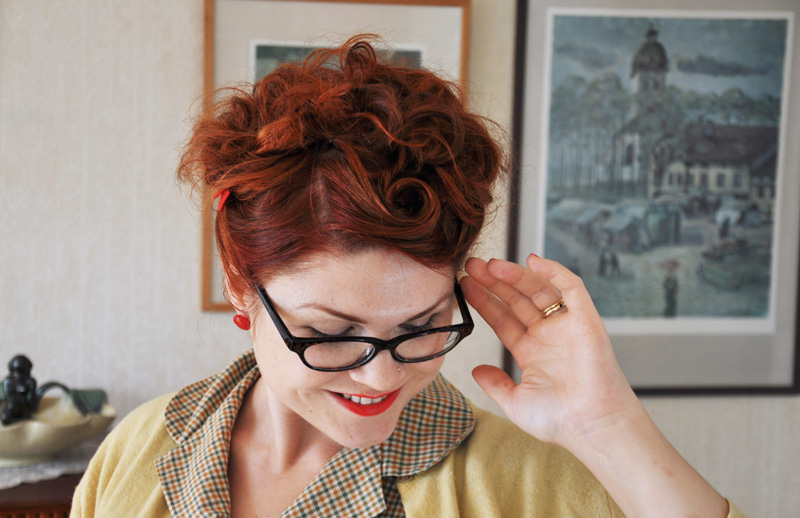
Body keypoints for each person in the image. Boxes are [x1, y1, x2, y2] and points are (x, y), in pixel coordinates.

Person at [70, 37, 746, 517]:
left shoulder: (524, 487)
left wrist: (608, 425)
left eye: (422, 326)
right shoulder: (138, 448)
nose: (381, 377)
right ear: (239, 285)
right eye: (331, 334)